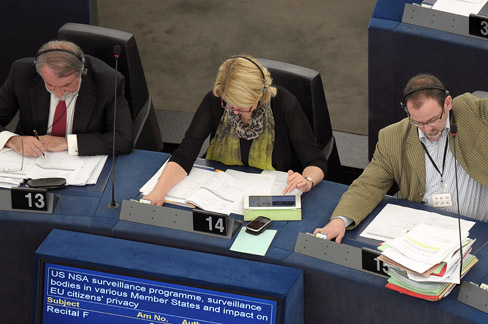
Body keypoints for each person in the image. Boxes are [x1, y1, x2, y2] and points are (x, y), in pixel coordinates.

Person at [315, 24, 488, 243]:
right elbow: (369, 184)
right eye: (418, 122)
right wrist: (340, 220)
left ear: (448, 103)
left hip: (484, 230)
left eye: (433, 120)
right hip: (425, 234)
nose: (427, 129)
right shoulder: (393, 137)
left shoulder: (471, 111)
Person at [144, 55, 326, 204]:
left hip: (265, 192)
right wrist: (158, 192)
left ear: (260, 95)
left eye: (243, 106)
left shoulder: (284, 103)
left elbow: (316, 161)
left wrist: (307, 181)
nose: (236, 111)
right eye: (230, 104)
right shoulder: (215, 100)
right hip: (220, 188)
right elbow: (186, 152)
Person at [0, 40, 133, 157]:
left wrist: (66, 143)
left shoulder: (108, 81)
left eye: (67, 85)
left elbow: (122, 139)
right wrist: (12, 140)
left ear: (82, 72)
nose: (59, 94)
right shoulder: (21, 73)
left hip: (82, 164)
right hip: (30, 161)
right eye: (50, 85)